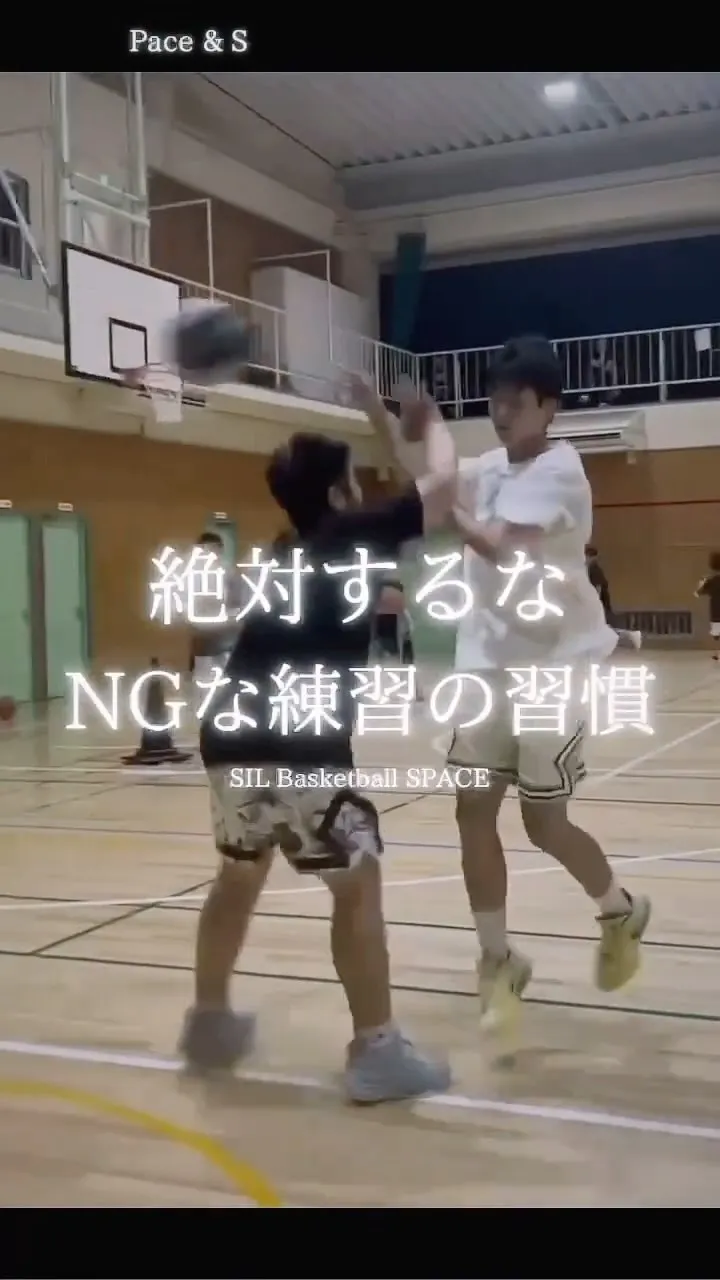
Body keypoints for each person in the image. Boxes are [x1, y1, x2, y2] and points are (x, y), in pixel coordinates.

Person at [180, 383, 458, 1103]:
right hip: (300, 746)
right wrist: (421, 424)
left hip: (229, 736)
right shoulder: (349, 534)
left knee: (239, 874)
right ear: (338, 494)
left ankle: (209, 1021)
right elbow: (444, 485)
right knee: (357, 883)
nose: (362, 490)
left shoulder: (292, 553)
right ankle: (377, 1051)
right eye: (353, 480)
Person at [446, 336, 651, 1029]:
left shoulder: (561, 471)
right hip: (485, 667)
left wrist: (446, 508)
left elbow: (499, 547)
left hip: (551, 670)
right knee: (472, 810)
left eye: (516, 402)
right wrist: (388, 423)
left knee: (543, 823)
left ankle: (620, 910)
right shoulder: (487, 467)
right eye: (494, 401)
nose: (501, 413)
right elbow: (428, 470)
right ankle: (497, 960)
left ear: (549, 407)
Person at [585, 545, 641, 651]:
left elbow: (598, 588)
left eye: (587, 556)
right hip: (599, 604)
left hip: (599, 604)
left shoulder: (594, 569)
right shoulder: (591, 569)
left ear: (591, 557)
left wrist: (595, 603)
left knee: (600, 627)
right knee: (598, 627)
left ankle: (630, 636)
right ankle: (630, 636)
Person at [694, 552, 720, 660]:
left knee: (716, 634)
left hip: (716, 611)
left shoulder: (710, 580)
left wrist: (701, 583)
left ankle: (717, 653)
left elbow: (697, 594)